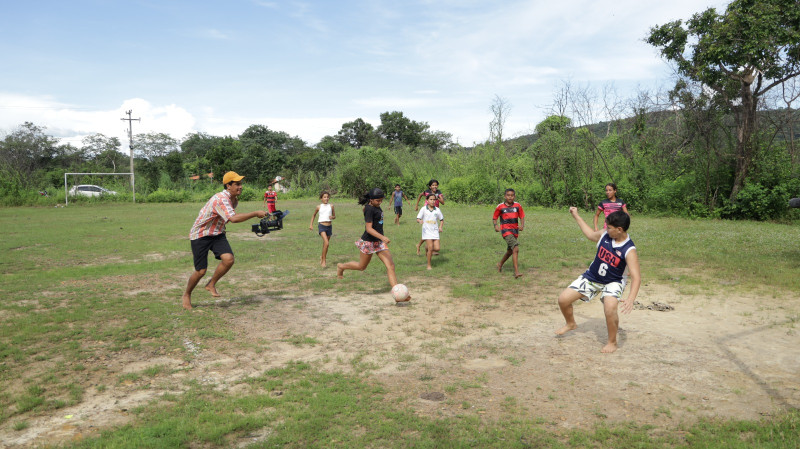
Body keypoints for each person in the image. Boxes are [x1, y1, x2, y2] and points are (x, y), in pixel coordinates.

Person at [555, 208, 641, 353]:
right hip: (592, 277)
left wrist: (630, 299)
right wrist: (576, 215)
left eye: (610, 227)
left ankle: (612, 342)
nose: (606, 229)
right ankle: (571, 324)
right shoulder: (604, 235)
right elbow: (589, 234)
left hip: (613, 281)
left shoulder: (629, 249)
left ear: (619, 229)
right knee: (563, 300)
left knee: (609, 307)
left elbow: (636, 277)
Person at [182, 172, 267, 310]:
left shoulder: (234, 199)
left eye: (241, 184)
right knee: (200, 271)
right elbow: (233, 219)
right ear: (228, 185)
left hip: (217, 233)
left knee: (228, 259)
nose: (240, 187)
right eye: (237, 184)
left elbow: (225, 217)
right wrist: (255, 213)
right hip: (201, 234)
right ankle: (186, 294)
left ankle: (211, 284)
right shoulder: (221, 198)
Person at [337, 188, 411, 302]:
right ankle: (341, 266)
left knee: (390, 266)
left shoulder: (374, 206)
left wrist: (381, 239)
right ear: (371, 200)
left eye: (381, 200)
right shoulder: (369, 209)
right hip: (369, 242)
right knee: (361, 267)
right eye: (378, 200)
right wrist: (382, 237)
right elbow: (369, 228)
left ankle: (398, 295)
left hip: (379, 243)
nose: (380, 202)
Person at [492, 188, 525, 278]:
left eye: (512, 195)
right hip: (506, 231)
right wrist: (495, 226)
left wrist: (522, 225)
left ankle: (500, 264)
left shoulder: (518, 206)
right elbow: (495, 217)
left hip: (515, 231)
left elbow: (522, 216)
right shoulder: (500, 207)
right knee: (515, 248)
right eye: (508, 195)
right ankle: (516, 272)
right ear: (505, 196)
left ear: (514, 196)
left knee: (510, 251)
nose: (510, 197)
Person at [415, 179, 445, 254]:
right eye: (433, 185)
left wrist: (437, 197)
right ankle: (430, 249)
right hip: (427, 212)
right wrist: (416, 205)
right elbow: (420, 195)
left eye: (436, 185)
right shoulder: (426, 192)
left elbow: (443, 202)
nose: (434, 186)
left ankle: (421, 245)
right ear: (430, 186)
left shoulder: (439, 193)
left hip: (434, 212)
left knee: (430, 232)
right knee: (428, 231)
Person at [416, 193, 444, 270]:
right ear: (427, 200)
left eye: (434, 199)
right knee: (431, 248)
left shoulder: (437, 210)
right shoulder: (423, 209)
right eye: (431, 199)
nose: (432, 201)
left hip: (435, 231)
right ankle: (429, 265)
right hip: (426, 231)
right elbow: (418, 218)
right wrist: (420, 221)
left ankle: (426, 247)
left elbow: (441, 220)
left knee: (437, 248)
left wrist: (440, 227)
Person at [309, 191, 336, 268]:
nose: (326, 198)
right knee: (326, 243)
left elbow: (334, 216)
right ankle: (324, 260)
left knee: (325, 245)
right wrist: (311, 225)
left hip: (329, 227)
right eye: (324, 197)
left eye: (327, 197)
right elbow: (313, 215)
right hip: (322, 226)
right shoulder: (319, 207)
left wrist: (332, 217)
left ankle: (322, 257)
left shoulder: (331, 206)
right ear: (321, 198)